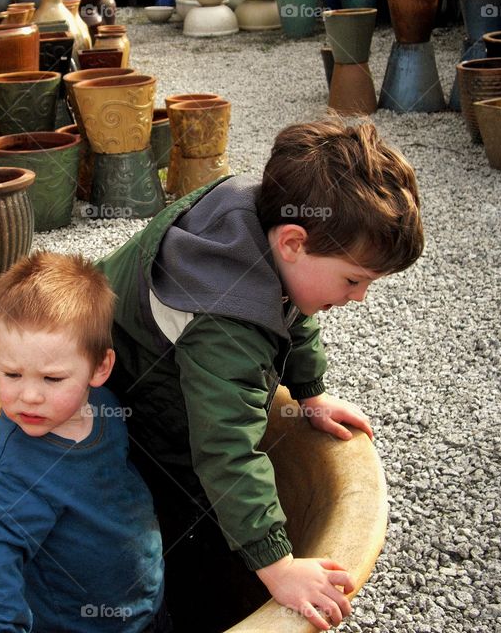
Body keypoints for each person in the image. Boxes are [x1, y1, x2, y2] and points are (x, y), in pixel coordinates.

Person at [96, 118, 424, 631]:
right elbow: (224, 450)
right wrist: (278, 564)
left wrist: (311, 394)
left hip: (153, 347)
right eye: (354, 279)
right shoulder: (227, 324)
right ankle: (181, 603)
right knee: (185, 503)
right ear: (293, 242)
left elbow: (295, 313)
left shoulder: (269, 216)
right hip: (123, 386)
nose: (360, 296)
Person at [0, 252, 168, 633]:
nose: (28, 395)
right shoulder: (10, 470)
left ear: (99, 369)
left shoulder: (105, 407)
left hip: (146, 603)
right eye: (11, 373)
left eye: (52, 379)